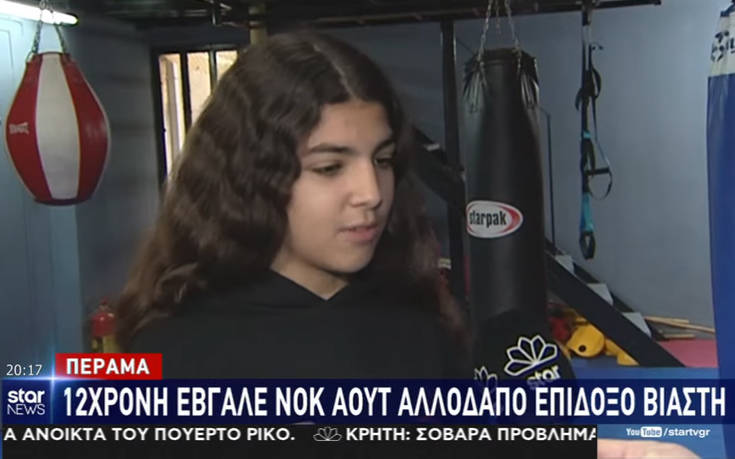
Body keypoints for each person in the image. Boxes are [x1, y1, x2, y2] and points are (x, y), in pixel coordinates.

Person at [114, 30, 699, 459]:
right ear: (251, 178)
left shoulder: (424, 331)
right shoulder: (173, 357)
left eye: (383, 160)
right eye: (330, 167)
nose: (371, 193)